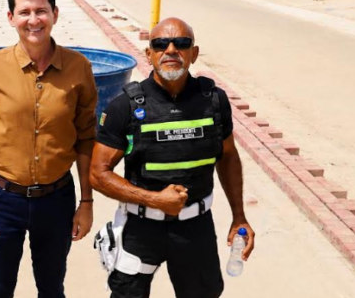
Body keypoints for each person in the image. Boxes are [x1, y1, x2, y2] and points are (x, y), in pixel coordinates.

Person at [90, 17, 255, 298]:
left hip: (196, 227)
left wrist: (239, 216)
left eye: (181, 43)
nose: (170, 50)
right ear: (149, 54)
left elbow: (228, 157)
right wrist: (155, 200)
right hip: (140, 227)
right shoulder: (125, 106)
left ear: (194, 53)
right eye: (160, 44)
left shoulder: (214, 101)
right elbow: (98, 173)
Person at [0, 0, 98, 298]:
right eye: (24, 12)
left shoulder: (78, 68)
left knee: (52, 288)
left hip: (56, 199)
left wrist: (87, 202)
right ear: (11, 18)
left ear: (55, 14)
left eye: (41, 11)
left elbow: (86, 137)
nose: (33, 20)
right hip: (0, 199)